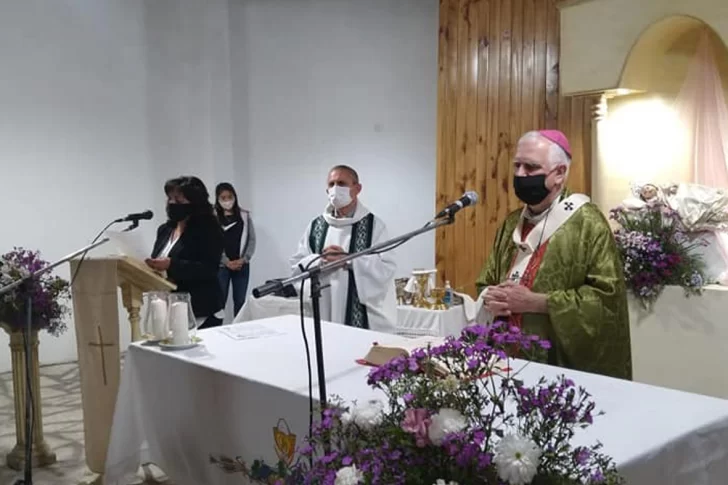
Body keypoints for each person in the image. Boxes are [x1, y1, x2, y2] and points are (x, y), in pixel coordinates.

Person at [476, 130, 631, 380]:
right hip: (504, 359)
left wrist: (537, 302)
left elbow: (606, 301)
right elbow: (487, 280)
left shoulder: (588, 223)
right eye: (517, 165)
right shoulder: (512, 223)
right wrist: (490, 297)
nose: (520, 175)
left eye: (531, 167)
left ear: (559, 173)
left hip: (558, 365)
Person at [289, 165, 397, 333]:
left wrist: (349, 260)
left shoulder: (374, 226)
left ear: (357, 188)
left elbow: (386, 267)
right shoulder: (316, 226)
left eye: (341, 183)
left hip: (359, 312)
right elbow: (297, 264)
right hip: (323, 306)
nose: (335, 189)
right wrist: (319, 260)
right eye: (331, 184)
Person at [146, 176, 225, 329]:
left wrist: (171, 265)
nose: (172, 203)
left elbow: (209, 268)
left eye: (178, 200)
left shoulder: (210, 230)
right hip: (168, 307)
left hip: (200, 308)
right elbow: (157, 259)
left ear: (195, 203)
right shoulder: (165, 230)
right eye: (170, 199)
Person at [215, 182, 256, 316]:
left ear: (235, 197)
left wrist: (244, 259)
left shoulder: (244, 215)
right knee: (219, 301)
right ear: (218, 199)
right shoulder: (213, 217)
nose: (227, 201)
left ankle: (239, 325)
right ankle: (217, 326)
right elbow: (211, 242)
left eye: (230, 197)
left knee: (240, 301)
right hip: (221, 266)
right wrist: (226, 261)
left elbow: (251, 239)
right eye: (223, 198)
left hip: (241, 265)